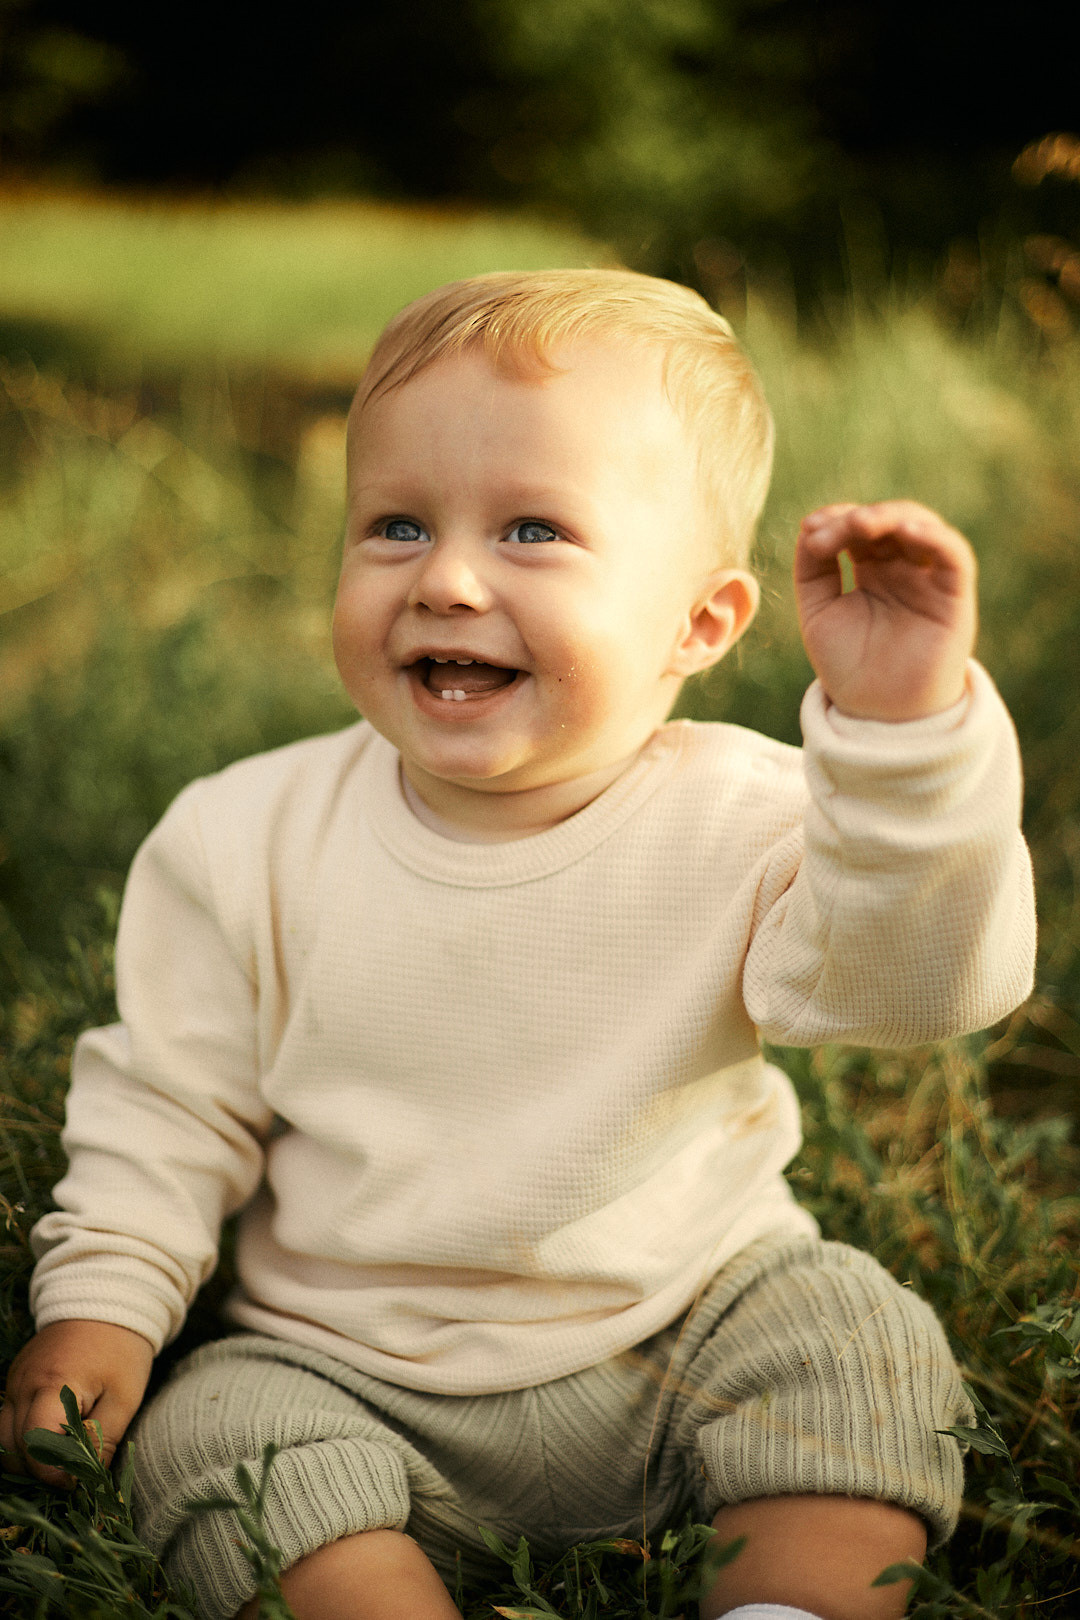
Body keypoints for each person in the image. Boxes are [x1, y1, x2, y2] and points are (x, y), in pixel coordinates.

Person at [0, 269, 1035, 1620]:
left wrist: (902, 740)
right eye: (395, 525)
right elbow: (168, 1107)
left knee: (857, 1337)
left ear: (700, 624)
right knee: (220, 1435)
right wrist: (103, 1312)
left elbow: (920, 985)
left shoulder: (752, 816)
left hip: (686, 1318)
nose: (447, 578)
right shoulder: (241, 836)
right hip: (345, 1361)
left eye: (534, 530)